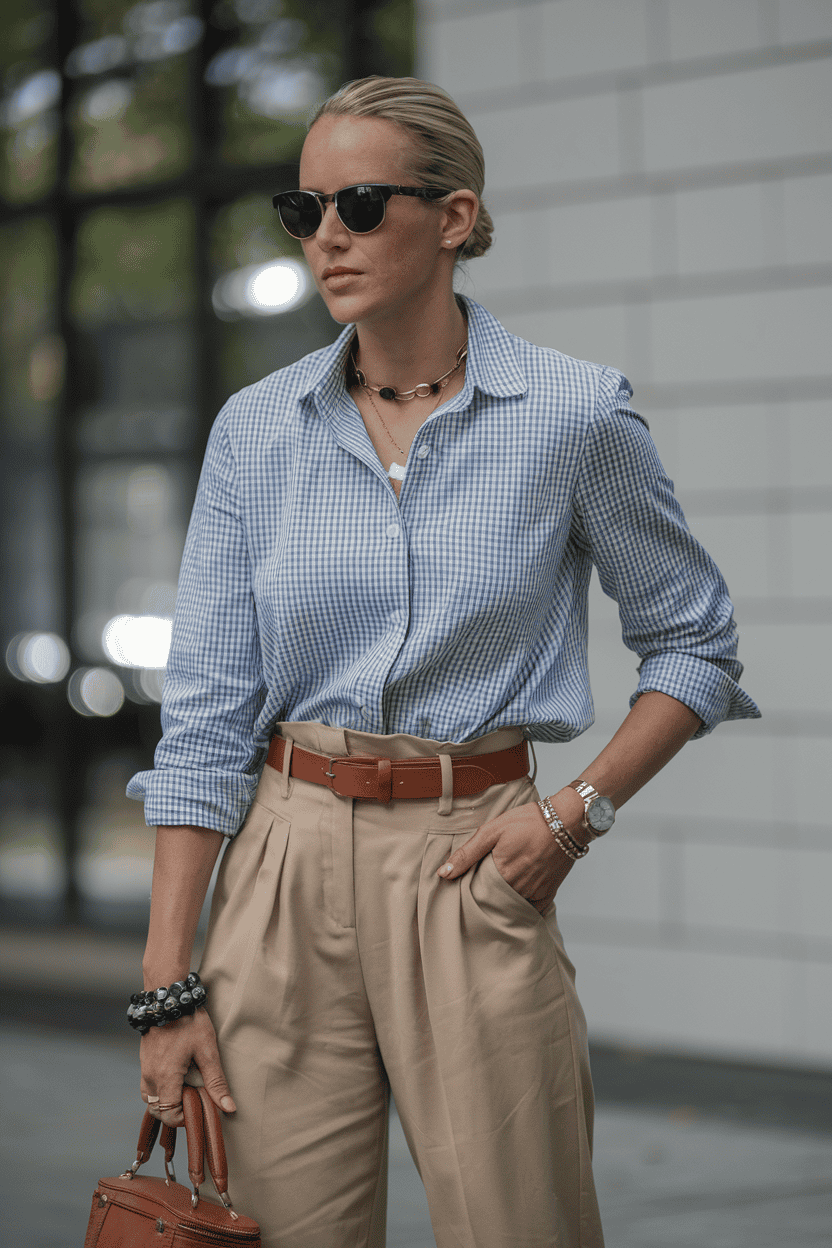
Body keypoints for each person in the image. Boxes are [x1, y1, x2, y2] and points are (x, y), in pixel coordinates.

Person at [127, 76, 760, 1248]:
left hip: (472, 861)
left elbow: (694, 643)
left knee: (522, 1228)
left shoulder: (572, 416)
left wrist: (572, 816)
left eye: (360, 205)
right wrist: (170, 988)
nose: (327, 237)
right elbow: (206, 715)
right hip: (281, 867)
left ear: (455, 216)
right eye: (303, 209)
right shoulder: (254, 431)